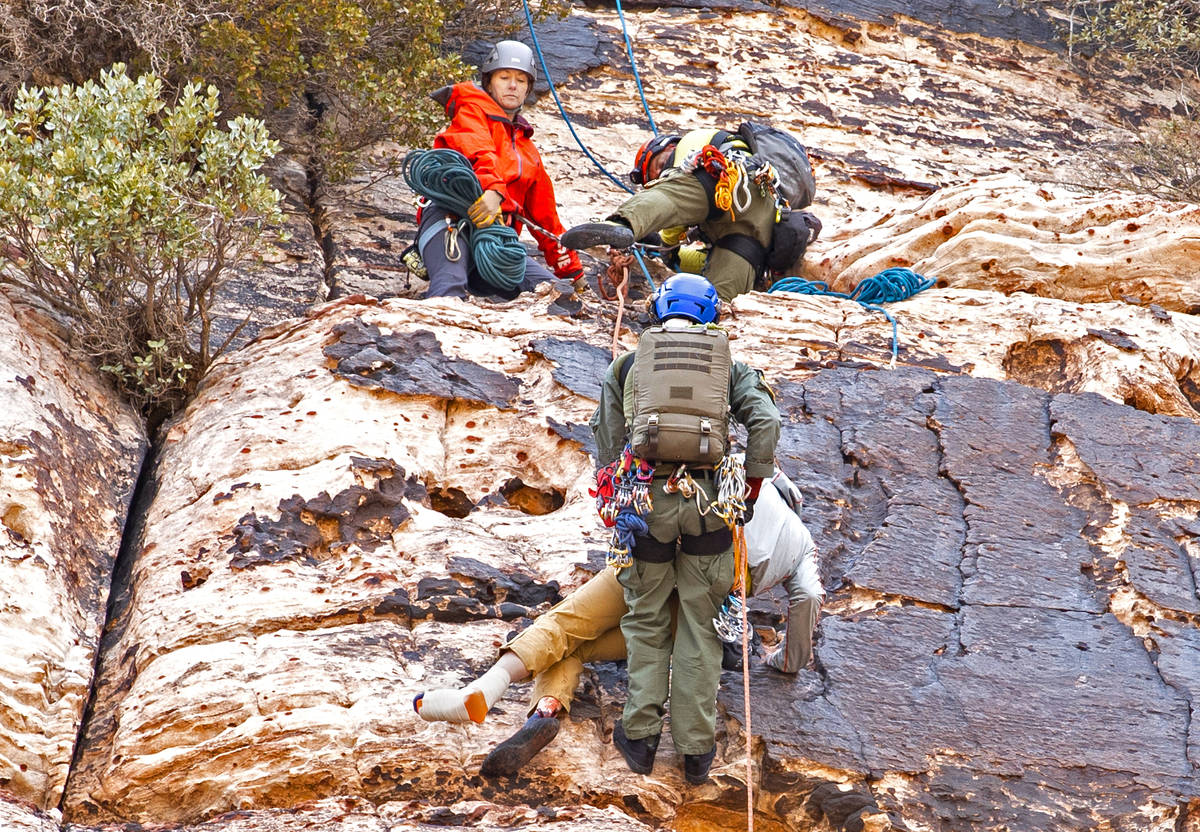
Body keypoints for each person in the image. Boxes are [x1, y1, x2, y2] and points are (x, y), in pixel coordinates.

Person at [412, 466, 823, 780]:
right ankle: (546, 710)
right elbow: (808, 598)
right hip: (702, 604)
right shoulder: (802, 542)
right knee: (587, 645)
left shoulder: (746, 480)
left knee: (566, 627)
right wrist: (785, 660)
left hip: (657, 562)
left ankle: (521, 700)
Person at [560, 128, 816, 302]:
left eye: (659, 165)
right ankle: (705, 331)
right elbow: (696, 259)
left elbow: (673, 202)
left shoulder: (693, 142)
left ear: (669, 145)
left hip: (725, 177)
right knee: (721, 296)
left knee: (672, 193)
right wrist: (672, 257)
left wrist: (666, 244)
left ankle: (621, 223)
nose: (660, 175)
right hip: (760, 214)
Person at [414, 40, 583, 299]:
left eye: (521, 80)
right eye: (504, 77)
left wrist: (572, 273)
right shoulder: (471, 112)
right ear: (489, 82)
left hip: (496, 239)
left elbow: (546, 219)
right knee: (450, 287)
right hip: (450, 221)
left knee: (555, 295)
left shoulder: (529, 153)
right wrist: (493, 189)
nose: (513, 85)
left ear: (528, 89)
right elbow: (477, 148)